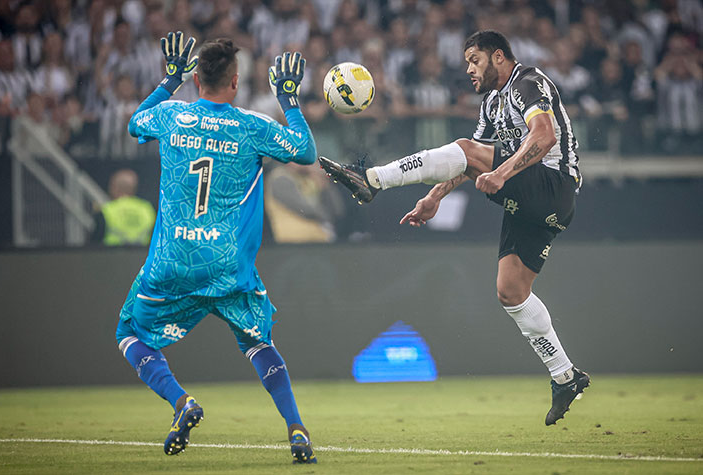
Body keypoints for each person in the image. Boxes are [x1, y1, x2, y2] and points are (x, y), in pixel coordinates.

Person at [319, 30, 590, 426]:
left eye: (474, 61)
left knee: (465, 148)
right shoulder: (492, 103)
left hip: (555, 186)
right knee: (511, 291)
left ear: (499, 57)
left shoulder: (527, 83)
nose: (468, 70)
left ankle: (371, 179)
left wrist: (501, 171)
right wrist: (435, 197)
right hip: (533, 202)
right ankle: (565, 376)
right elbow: (466, 162)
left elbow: (544, 136)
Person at [115, 31, 318, 463]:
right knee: (258, 343)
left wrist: (168, 81)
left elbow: (135, 121)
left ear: (195, 81)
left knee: (129, 333)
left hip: (172, 260)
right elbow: (304, 151)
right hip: (227, 264)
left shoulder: (172, 115)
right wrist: (288, 99)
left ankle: (181, 401)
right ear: (235, 83)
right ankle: (295, 426)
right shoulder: (250, 126)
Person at [90, 168, 156, 246]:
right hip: (142, 255)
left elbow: (94, 243)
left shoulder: (107, 210)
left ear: (114, 187)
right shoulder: (147, 209)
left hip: (111, 256)